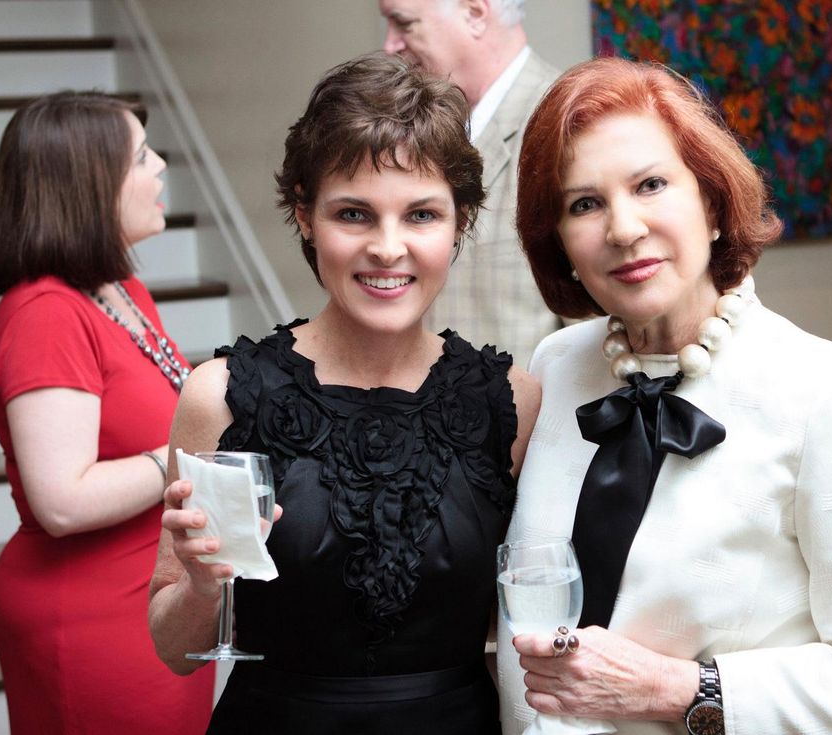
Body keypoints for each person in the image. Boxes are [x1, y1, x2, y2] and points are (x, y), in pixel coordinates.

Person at [497, 57, 832, 735]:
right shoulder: (555, 367)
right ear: (558, 241)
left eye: (650, 184)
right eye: (584, 203)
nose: (622, 228)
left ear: (709, 203)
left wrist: (675, 688)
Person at [148, 52, 540, 734]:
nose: (388, 248)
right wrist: (202, 583)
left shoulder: (513, 403)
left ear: (460, 223)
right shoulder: (221, 397)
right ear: (305, 214)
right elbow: (175, 652)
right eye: (354, 213)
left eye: (421, 214)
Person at [0, 92, 214, 733]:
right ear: (89, 184)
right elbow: (61, 501)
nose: (162, 167)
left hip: (152, 597)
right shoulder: (45, 313)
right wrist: (180, 457)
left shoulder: (120, 290)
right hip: (90, 614)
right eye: (141, 157)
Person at [380, 0, 561, 366]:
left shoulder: (561, 124)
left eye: (404, 23)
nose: (391, 44)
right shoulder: (416, 130)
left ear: (476, 14)